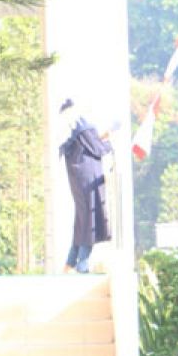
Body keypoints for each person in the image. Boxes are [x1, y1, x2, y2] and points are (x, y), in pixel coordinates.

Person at [57, 99, 112, 273]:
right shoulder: (83, 127)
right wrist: (110, 139)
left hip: (78, 181)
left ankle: (70, 262)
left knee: (82, 220)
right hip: (89, 179)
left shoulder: (71, 130)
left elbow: (90, 145)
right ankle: (82, 264)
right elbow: (97, 149)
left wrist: (101, 138)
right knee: (90, 220)